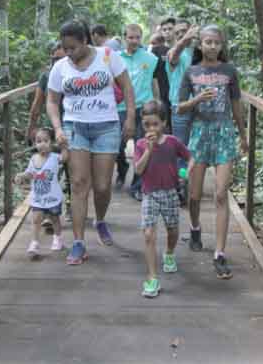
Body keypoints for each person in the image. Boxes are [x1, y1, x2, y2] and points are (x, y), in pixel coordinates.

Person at [47, 20, 135, 265]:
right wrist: (57, 128)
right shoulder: (61, 67)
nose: (68, 53)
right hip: (75, 128)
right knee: (78, 184)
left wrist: (130, 117)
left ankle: (101, 219)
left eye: (72, 48)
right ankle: (78, 243)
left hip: (106, 127)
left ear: (85, 41)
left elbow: (127, 87)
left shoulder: (108, 56)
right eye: (65, 49)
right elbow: (52, 100)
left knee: (103, 186)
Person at [177, 24, 248, 280]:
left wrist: (243, 134)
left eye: (216, 43)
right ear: (201, 45)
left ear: (221, 45)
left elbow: (237, 104)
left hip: (224, 133)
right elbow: (179, 108)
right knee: (194, 195)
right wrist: (197, 100)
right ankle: (195, 228)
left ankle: (219, 253)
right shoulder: (191, 72)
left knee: (220, 194)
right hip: (199, 133)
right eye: (208, 42)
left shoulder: (230, 71)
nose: (212, 46)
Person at [134, 100, 192, 298]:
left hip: (170, 192)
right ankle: (152, 277)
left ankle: (169, 252)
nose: (151, 129)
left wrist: (186, 173)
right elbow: (138, 169)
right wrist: (149, 151)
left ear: (164, 124)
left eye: (155, 124)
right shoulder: (141, 145)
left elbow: (190, 157)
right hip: (150, 194)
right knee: (149, 233)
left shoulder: (172, 142)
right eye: (147, 125)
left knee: (172, 230)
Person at [26, 42, 72, 224]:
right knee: (48, 168)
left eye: (61, 58)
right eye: (54, 58)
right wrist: (32, 125)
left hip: (71, 127)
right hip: (50, 129)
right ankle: (47, 211)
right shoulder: (46, 76)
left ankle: (69, 205)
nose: (57, 62)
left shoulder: (72, 74)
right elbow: (38, 102)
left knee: (70, 168)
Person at [116, 23, 160, 201]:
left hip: (144, 107)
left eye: (137, 37)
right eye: (130, 37)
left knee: (142, 147)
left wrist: (157, 104)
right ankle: (122, 167)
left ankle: (137, 185)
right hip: (120, 107)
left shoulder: (151, 58)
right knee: (116, 146)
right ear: (124, 37)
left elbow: (155, 81)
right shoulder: (115, 58)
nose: (134, 41)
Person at [15, 128, 68, 257]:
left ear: (51, 142)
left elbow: (65, 158)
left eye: (45, 140)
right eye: (39, 141)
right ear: (35, 143)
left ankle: (58, 238)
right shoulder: (33, 159)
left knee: (55, 219)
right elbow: (29, 173)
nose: (42, 144)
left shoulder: (55, 158)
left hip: (52, 197)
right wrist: (22, 176)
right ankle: (34, 242)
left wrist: (64, 147)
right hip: (38, 197)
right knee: (36, 219)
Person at [166, 19, 197, 204]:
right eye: (178, 32)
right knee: (181, 148)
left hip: (201, 106)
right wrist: (185, 38)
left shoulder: (199, 53)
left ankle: (190, 181)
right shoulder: (174, 53)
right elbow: (175, 53)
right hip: (180, 106)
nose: (182, 35)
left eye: (185, 31)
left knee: (196, 147)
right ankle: (181, 182)